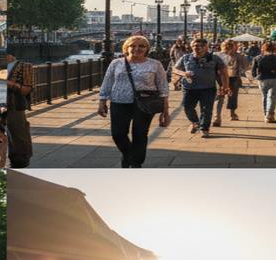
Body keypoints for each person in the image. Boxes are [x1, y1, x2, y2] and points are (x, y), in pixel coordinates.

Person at [97, 35, 170, 168]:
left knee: (140, 134)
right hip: (119, 102)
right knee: (118, 134)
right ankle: (128, 156)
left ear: (147, 49)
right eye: (133, 45)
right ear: (126, 48)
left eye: (141, 46)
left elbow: (163, 88)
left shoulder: (155, 64)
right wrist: (102, 102)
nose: (137, 48)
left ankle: (136, 163)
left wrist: (165, 111)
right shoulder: (116, 63)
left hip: (145, 104)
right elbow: (107, 82)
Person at [172, 37, 228, 138]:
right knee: (187, 107)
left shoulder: (214, 58)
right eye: (194, 46)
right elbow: (175, 69)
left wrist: (225, 86)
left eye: (201, 46)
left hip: (208, 88)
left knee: (206, 109)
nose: (197, 48)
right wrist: (184, 73)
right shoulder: (186, 58)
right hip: (189, 88)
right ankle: (195, 122)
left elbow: (224, 72)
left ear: (206, 47)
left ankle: (204, 128)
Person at [4, 52, 34, 167]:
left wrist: (11, 84)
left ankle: (20, 160)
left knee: (18, 134)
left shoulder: (25, 66)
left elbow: (26, 90)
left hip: (15, 105)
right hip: (0, 106)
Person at [214, 40, 246, 126]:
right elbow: (245, 67)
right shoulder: (217, 55)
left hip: (229, 77)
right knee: (225, 96)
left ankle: (222, 116)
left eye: (230, 46)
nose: (229, 48)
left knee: (227, 96)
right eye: (227, 46)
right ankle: (221, 116)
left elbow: (245, 66)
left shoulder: (238, 55)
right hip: (224, 78)